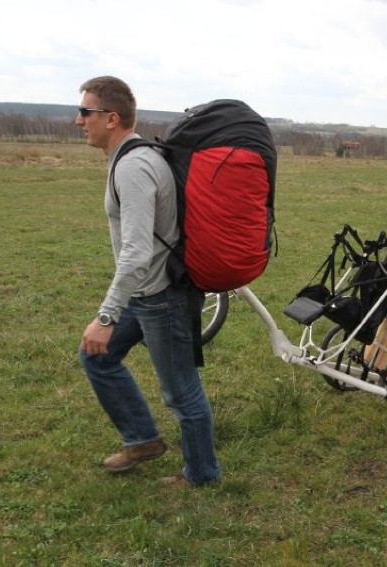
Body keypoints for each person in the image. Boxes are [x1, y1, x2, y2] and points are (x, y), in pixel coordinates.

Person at [76, 76, 220, 487]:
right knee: (96, 356)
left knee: (181, 392)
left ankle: (202, 475)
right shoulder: (128, 158)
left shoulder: (135, 166)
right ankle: (142, 440)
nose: (78, 120)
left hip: (161, 297)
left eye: (86, 112)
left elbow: (137, 252)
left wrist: (106, 316)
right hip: (144, 294)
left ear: (112, 117)